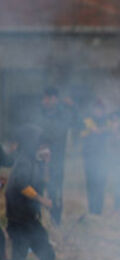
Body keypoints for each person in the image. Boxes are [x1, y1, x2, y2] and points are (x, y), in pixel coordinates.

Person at [0, 126, 55, 260]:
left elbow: (41, 183)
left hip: (31, 221)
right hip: (20, 222)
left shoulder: (34, 161)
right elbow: (21, 184)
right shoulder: (24, 161)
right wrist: (41, 200)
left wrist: (46, 164)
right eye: (40, 144)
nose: (43, 148)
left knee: (47, 254)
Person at [37, 87, 78, 225]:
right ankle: (40, 220)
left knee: (55, 192)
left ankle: (55, 221)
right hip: (40, 160)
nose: (44, 101)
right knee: (38, 190)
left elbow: (77, 124)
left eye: (46, 98)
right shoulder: (40, 113)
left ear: (54, 98)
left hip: (56, 161)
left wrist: (73, 108)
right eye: (43, 98)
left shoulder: (64, 114)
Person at [80, 100, 111, 215]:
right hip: (89, 158)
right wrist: (98, 131)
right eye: (96, 109)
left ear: (103, 111)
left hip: (103, 158)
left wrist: (101, 130)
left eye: (100, 109)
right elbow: (87, 132)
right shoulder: (87, 120)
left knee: (101, 184)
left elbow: (110, 130)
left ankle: (99, 210)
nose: (98, 111)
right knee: (91, 184)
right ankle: (92, 209)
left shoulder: (107, 121)